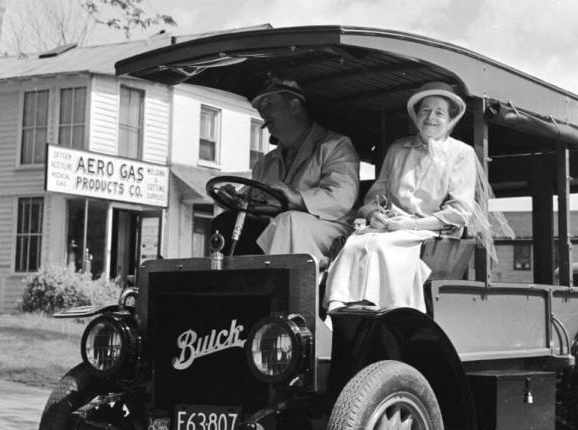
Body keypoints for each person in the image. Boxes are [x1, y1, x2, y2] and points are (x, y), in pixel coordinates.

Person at [324, 81, 514, 313]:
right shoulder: (397, 149)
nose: (430, 117)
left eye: (439, 112)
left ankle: (392, 313)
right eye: (425, 111)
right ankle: (339, 308)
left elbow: (459, 212)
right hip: (391, 226)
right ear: (416, 115)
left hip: (432, 231)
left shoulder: (461, 154)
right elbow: (379, 195)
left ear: (451, 119)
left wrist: (411, 224)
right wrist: (377, 213)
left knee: (383, 246)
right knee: (357, 243)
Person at [211, 78, 360, 263]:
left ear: (294, 106)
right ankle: (233, 286)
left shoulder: (335, 146)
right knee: (225, 222)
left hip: (329, 228)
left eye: (269, 103)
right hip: (276, 228)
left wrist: (297, 199)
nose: (262, 112)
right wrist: (237, 200)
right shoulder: (264, 164)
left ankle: (276, 288)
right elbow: (256, 202)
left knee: (289, 221)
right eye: (259, 108)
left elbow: (341, 197)